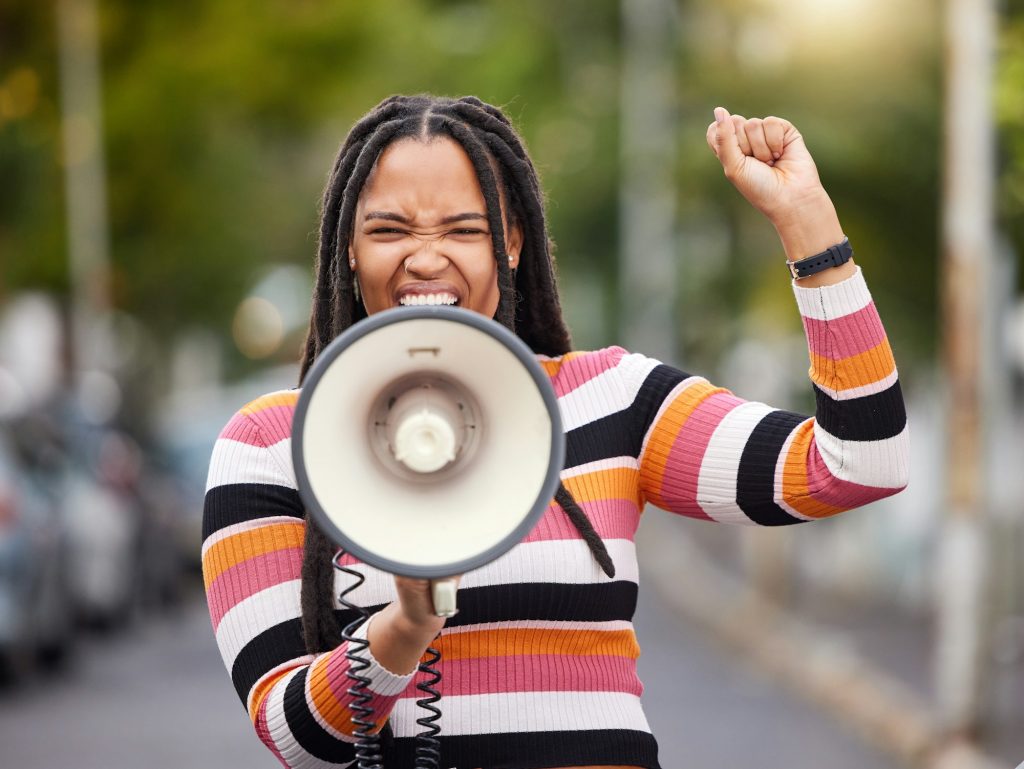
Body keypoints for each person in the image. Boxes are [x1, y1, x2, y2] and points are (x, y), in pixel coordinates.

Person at [202, 94, 908, 769]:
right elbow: (291, 735)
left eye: (463, 228)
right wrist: (406, 625)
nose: (424, 257)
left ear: (511, 242)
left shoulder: (612, 400)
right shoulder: (271, 445)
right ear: (348, 247)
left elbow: (859, 463)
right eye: (389, 230)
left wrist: (807, 223)